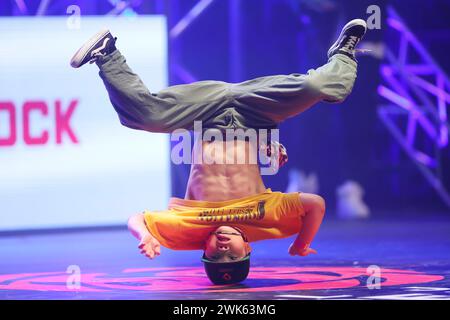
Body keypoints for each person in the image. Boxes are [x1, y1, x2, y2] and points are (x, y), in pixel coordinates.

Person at [70, 19, 367, 285]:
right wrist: (302, 243)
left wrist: (145, 235)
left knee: (144, 117)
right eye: (233, 257)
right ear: (247, 248)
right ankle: (343, 54)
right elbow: (315, 204)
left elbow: (137, 218)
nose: (223, 251)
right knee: (319, 87)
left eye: (215, 257)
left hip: (205, 114)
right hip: (254, 114)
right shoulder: (266, 220)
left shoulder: (186, 230)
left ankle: (107, 53)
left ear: (205, 251)